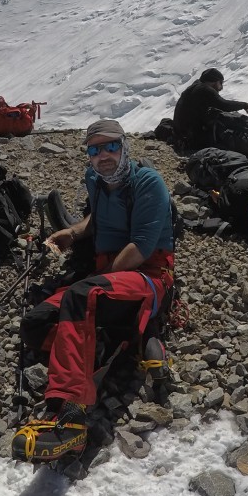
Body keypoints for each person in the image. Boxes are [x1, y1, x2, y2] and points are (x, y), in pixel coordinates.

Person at [12, 119, 175, 464]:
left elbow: (142, 247)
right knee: (34, 324)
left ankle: (71, 416)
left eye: (110, 146)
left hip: (146, 276)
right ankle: (99, 348)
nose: (103, 155)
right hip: (107, 276)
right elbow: (97, 220)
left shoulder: (148, 183)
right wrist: (72, 232)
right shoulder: (96, 180)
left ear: (124, 147)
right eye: (94, 149)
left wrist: (96, 280)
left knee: (80, 296)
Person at [172, 68, 248, 154]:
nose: (221, 87)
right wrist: (244, 104)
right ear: (214, 81)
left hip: (181, 135)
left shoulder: (194, 87)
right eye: (220, 83)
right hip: (192, 139)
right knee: (227, 141)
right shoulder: (205, 89)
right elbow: (224, 105)